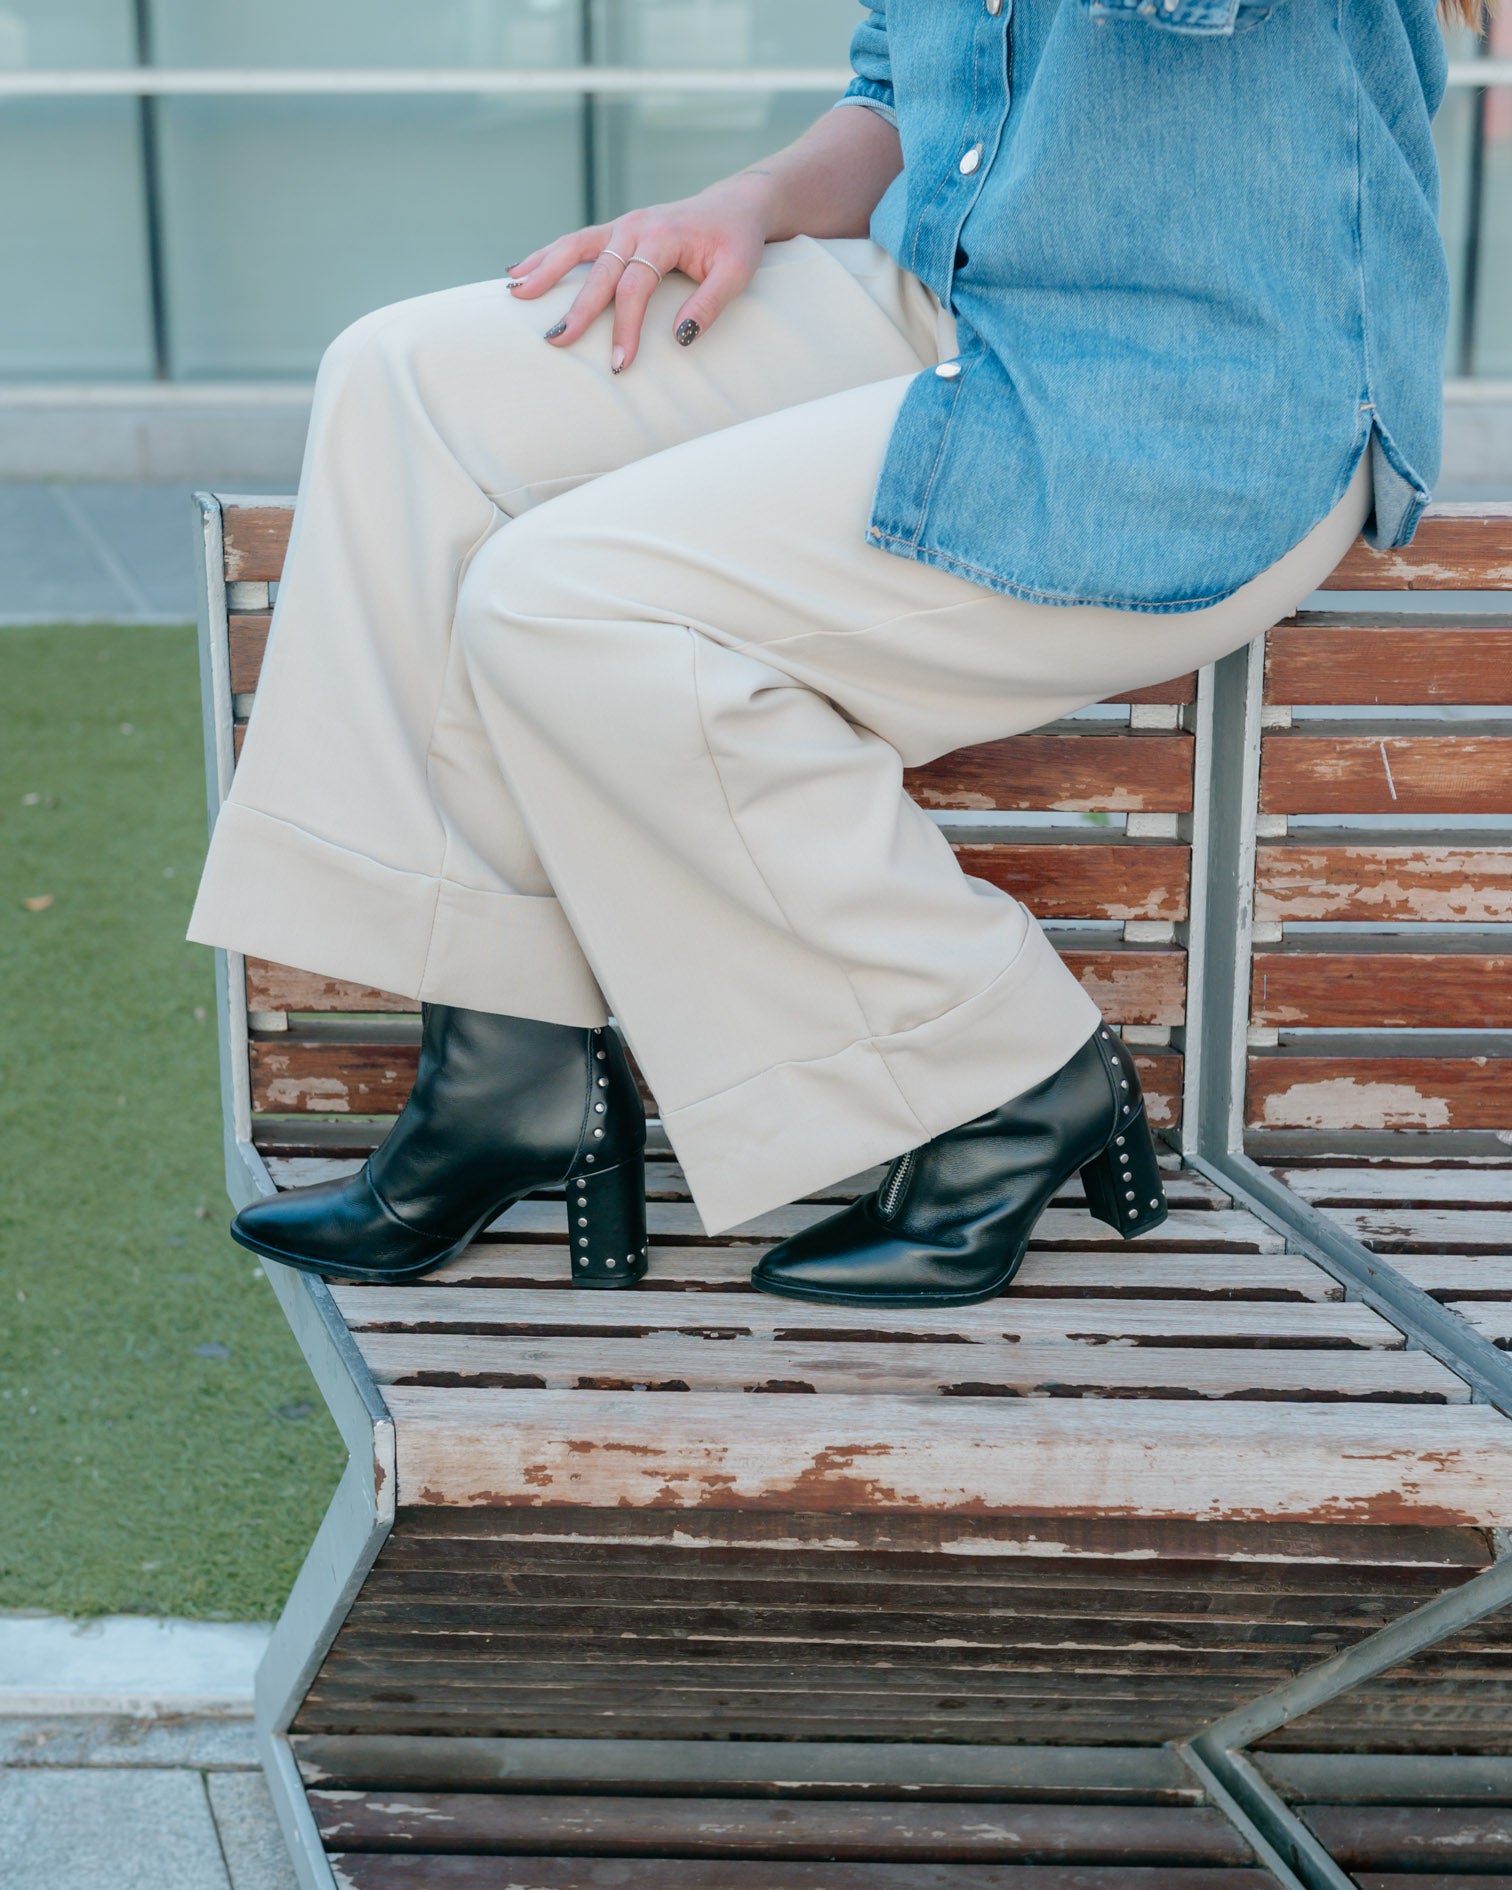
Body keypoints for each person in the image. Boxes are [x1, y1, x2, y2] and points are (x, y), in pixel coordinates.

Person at [190, 0, 1459, 1308]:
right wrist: (752, 197)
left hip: (1201, 396)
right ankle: (510, 1075)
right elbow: (909, 88)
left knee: (562, 601)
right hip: (961, 295)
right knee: (406, 380)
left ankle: (1012, 1072)